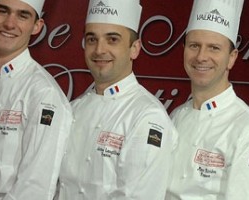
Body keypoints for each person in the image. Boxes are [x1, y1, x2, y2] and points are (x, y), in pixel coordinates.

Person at [57, 0, 177, 199]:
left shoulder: (148, 117)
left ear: (134, 48)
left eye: (112, 39)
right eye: (92, 39)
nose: (99, 50)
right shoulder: (72, 109)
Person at [0, 0, 73, 199]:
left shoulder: (43, 93)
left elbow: (35, 185)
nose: (10, 24)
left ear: (37, 26)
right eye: (3, 11)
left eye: (22, 15)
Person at [165, 0, 249, 199]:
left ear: (232, 57)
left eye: (214, 48)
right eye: (194, 45)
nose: (201, 56)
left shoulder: (246, 129)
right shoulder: (175, 117)